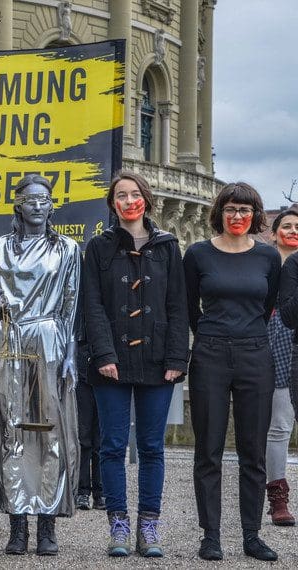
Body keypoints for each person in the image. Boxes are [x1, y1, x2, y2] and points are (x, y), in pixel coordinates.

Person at [83, 171, 189, 557]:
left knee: (151, 447)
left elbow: (178, 305)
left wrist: (178, 357)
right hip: (111, 359)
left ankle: (149, 525)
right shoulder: (98, 248)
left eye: (134, 194)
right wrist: (104, 353)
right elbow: (91, 305)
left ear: (146, 198)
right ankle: (119, 525)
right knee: (111, 446)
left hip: (159, 359)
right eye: (120, 196)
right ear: (112, 204)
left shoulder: (167, 246)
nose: (129, 201)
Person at [0, 174, 81, 556]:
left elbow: (72, 305)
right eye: (31, 200)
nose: (38, 206)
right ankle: (17, 522)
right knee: (12, 430)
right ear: (18, 205)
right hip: (10, 341)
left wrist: (70, 354)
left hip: (51, 340)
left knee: (51, 431)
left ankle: (48, 524)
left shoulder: (68, 250)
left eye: (45, 200)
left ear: (52, 205)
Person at [184, 182, 281, 562]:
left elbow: (267, 303)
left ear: (255, 215)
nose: (237, 216)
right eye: (230, 209)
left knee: (252, 452)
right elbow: (189, 305)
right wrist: (208, 334)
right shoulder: (197, 254)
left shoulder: (268, 258)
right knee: (207, 450)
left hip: (255, 353)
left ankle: (252, 535)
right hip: (210, 352)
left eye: (244, 210)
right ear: (219, 213)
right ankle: (211, 535)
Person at [268, 205, 298, 525]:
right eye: (286, 226)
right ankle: (277, 495)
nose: (292, 231)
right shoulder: (265, 262)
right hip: (271, 344)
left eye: (297, 226)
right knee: (279, 426)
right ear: (275, 232)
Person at [74, 343, 104, 511]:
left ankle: (101, 492)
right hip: (82, 371)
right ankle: (82, 491)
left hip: (105, 372)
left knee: (101, 439)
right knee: (83, 437)